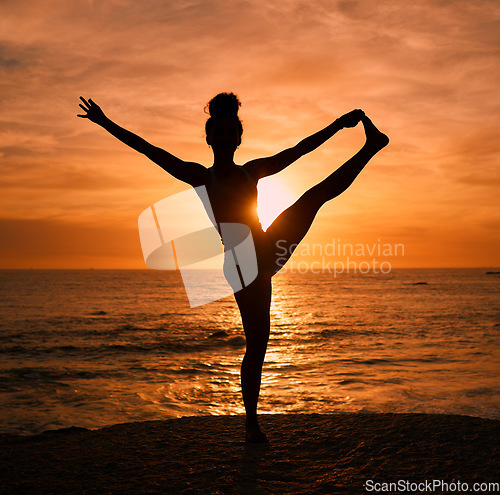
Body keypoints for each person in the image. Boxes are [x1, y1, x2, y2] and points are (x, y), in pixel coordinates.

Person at [77, 93, 388, 443]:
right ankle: (251, 423)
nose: (225, 139)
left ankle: (371, 146)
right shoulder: (199, 176)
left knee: (313, 197)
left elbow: (298, 151)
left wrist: (336, 125)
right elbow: (150, 150)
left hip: (267, 244)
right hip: (241, 263)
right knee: (257, 344)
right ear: (209, 138)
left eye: (231, 133)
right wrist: (105, 123)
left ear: (239, 138)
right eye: (219, 133)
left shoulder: (252, 171)